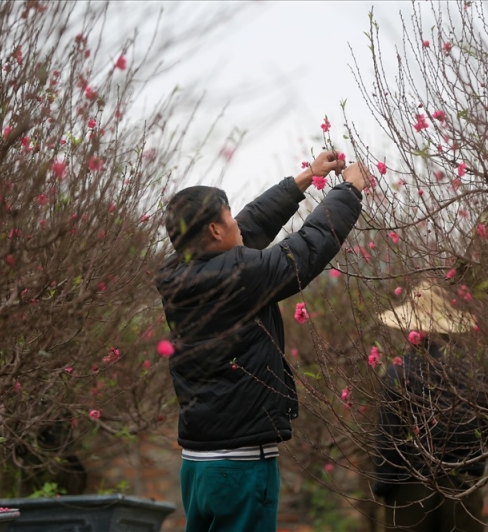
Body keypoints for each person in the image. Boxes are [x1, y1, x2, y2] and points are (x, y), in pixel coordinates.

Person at [156, 152, 370, 532]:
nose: (236, 223)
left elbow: (249, 226)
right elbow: (306, 249)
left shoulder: (177, 272)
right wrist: (349, 191)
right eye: (228, 217)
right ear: (214, 231)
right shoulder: (239, 275)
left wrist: (305, 178)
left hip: (198, 464)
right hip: (240, 465)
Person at [372, 281, 488, 532]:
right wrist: (469, 447)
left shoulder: (398, 374)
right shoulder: (476, 368)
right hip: (462, 484)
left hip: (409, 488)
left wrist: (384, 484)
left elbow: (389, 438)